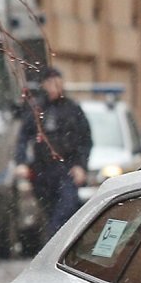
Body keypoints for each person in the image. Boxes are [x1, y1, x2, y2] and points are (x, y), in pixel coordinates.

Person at [15, 67, 93, 240]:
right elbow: (23, 137)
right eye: (50, 82)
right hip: (43, 171)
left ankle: (55, 244)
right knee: (49, 211)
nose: (54, 86)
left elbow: (85, 141)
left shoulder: (73, 109)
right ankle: (54, 244)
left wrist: (81, 166)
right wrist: (21, 162)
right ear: (44, 85)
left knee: (65, 210)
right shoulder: (37, 109)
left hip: (67, 169)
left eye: (58, 82)